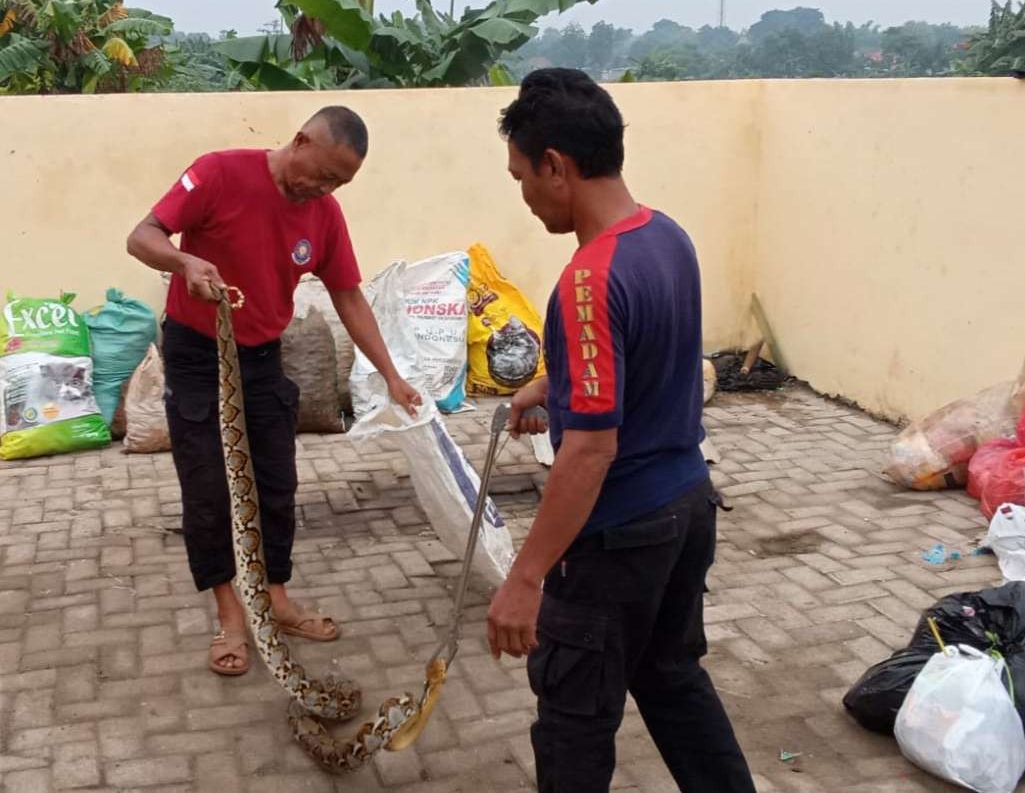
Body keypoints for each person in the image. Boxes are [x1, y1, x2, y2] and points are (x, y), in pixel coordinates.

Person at [487, 69, 756, 792]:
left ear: (555, 166)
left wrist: (525, 576)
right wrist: (556, 382)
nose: (524, 193)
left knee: (573, 719)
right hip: (688, 506)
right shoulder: (664, 235)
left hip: (620, 535)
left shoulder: (585, 279)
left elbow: (590, 449)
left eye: (522, 175)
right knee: (671, 679)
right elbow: (652, 353)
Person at [126, 106, 421, 677]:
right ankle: (230, 613)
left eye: (340, 183)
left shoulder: (324, 215)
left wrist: (392, 374)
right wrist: (184, 259)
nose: (325, 188)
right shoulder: (217, 173)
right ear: (301, 141)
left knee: (277, 486)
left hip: (260, 359)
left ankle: (276, 598)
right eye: (324, 174)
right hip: (196, 354)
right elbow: (142, 236)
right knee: (209, 486)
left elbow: (349, 296)